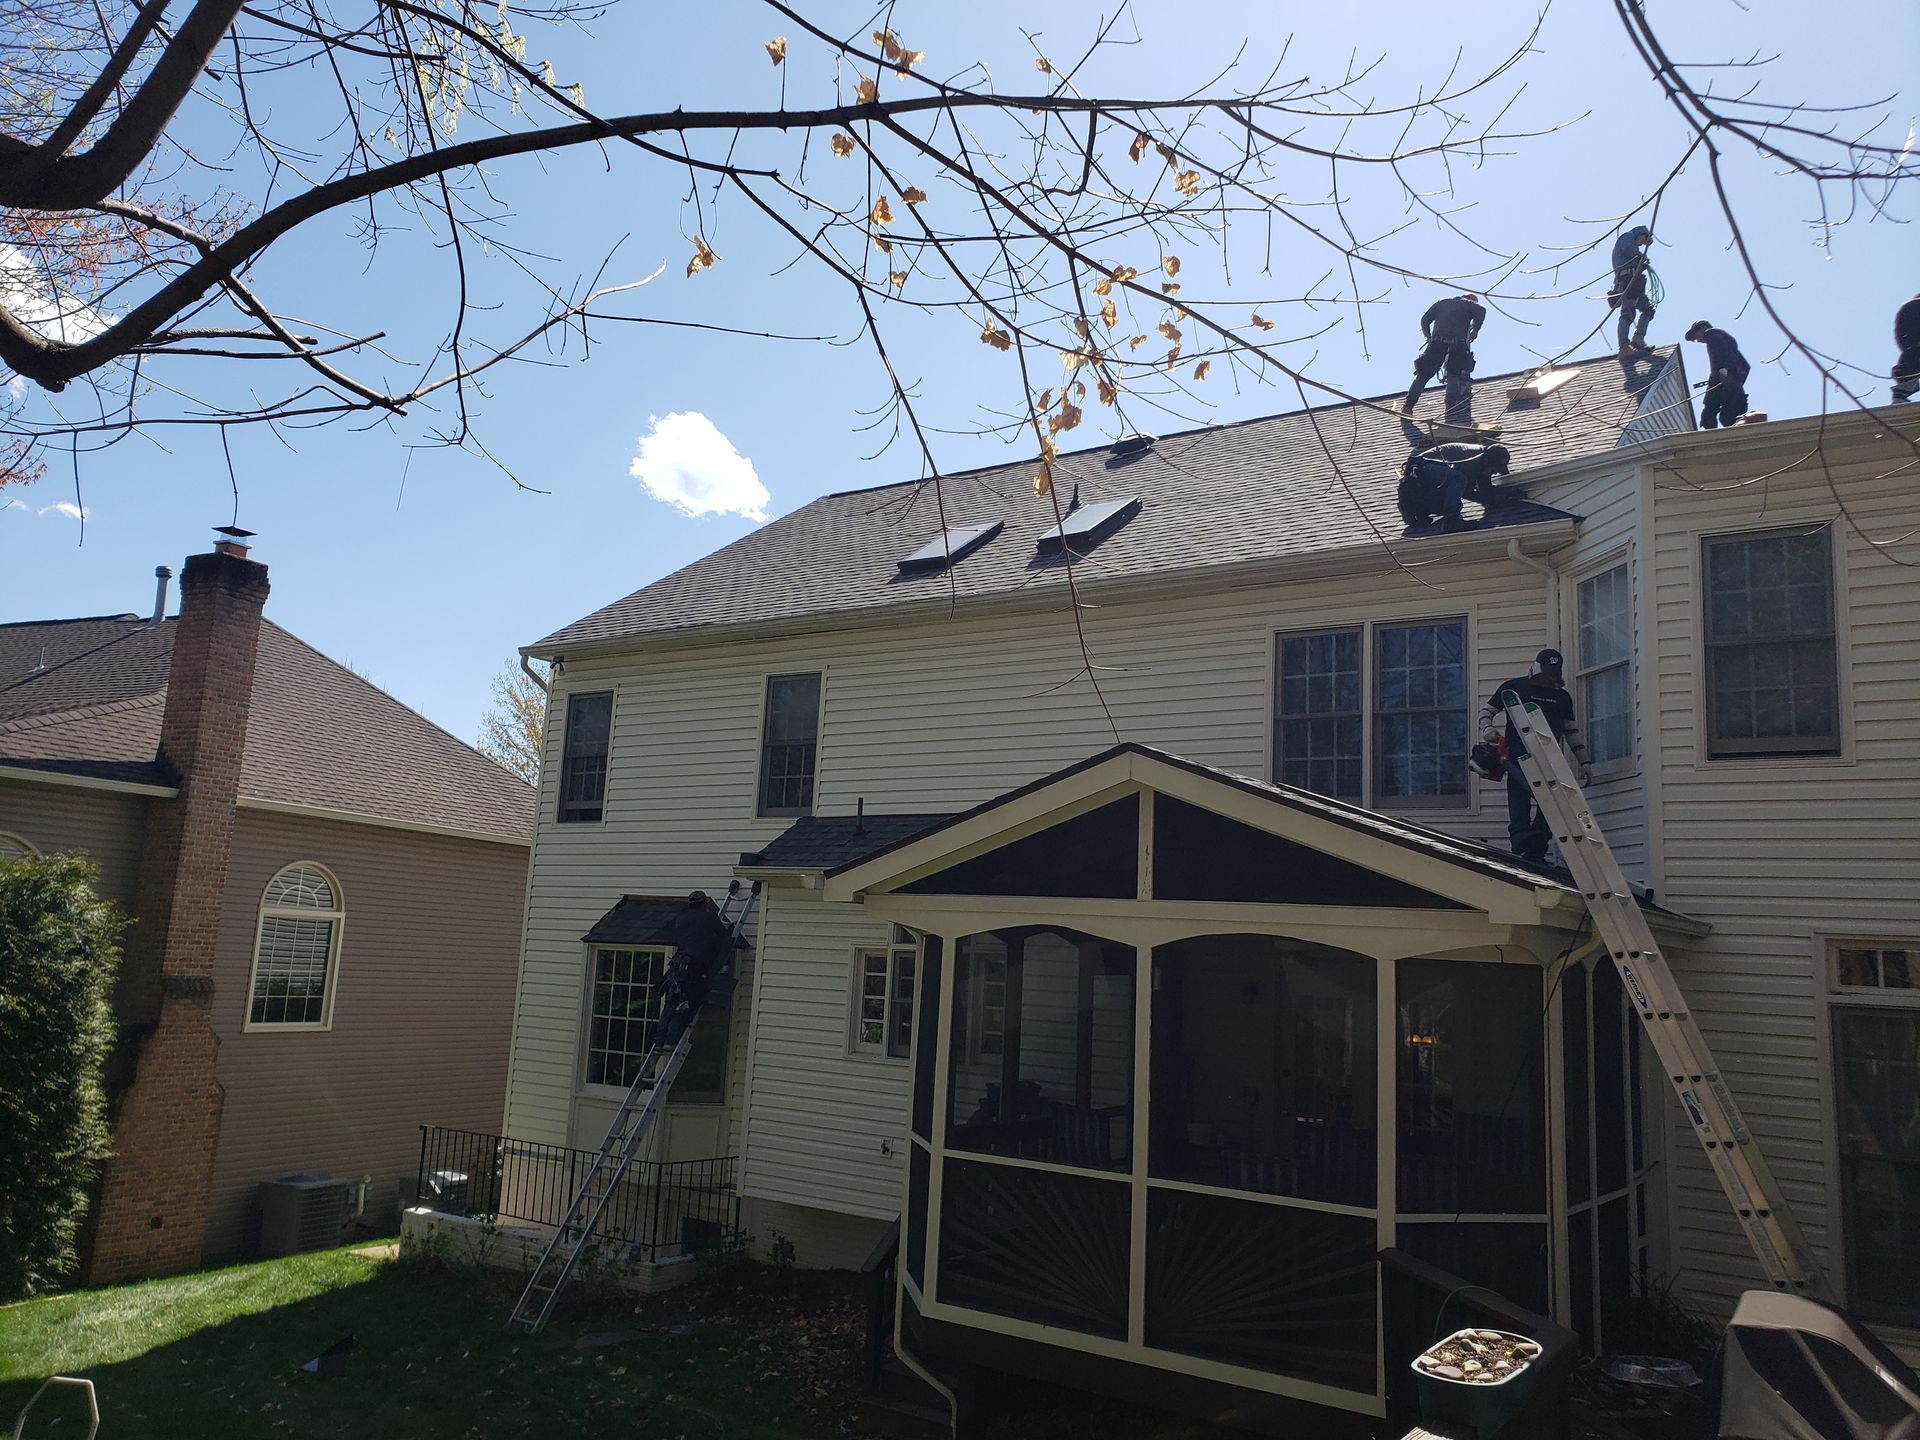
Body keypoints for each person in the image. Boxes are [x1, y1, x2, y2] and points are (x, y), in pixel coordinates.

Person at [1478, 648, 1592, 864]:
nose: (1548, 679)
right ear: (1536, 668)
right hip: (1518, 755)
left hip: (1551, 757)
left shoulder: (1561, 698)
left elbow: (1570, 731)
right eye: (1545, 672)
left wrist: (1584, 761)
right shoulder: (1514, 688)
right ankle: (1520, 835)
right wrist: (1487, 730)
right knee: (1520, 790)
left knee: (1554, 799)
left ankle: (1538, 845)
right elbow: (1486, 712)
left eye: (1553, 674)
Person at [1401, 292, 1486, 419]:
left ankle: (1407, 408)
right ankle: (1451, 404)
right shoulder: (1470, 304)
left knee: (1423, 375)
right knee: (1454, 373)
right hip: (1458, 342)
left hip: (1437, 341)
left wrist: (1428, 336)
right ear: (1471, 299)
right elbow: (1481, 309)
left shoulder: (1442, 303)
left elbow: (1424, 320)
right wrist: (1475, 330)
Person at [1398, 441, 1512, 531]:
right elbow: (1467, 491)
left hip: (1424, 477)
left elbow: (1484, 495)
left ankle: (1415, 509)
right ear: (1487, 461)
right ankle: (1451, 522)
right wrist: (1494, 497)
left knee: (1446, 503)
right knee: (1458, 479)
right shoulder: (1475, 459)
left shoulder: (1483, 463)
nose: (1495, 473)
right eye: (1494, 469)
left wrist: (1505, 496)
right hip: (1422, 467)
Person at [1686, 320, 1752, 429]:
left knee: (1709, 414)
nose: (1697, 340)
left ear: (1702, 328)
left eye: (1696, 335)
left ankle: (1711, 439)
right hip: (1733, 385)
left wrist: (1723, 371)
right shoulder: (1727, 341)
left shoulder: (1712, 333)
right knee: (1729, 417)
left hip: (1721, 382)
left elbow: (1719, 353)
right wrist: (1736, 381)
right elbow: (1745, 366)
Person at [1608, 225, 1656, 356]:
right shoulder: (1627, 236)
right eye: (1643, 240)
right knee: (1628, 312)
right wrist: (1641, 257)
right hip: (1627, 279)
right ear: (1641, 234)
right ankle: (1623, 346)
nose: (1641, 244)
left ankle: (1638, 338)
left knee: (1648, 310)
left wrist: (1641, 262)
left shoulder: (1634, 247)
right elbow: (1628, 249)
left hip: (1636, 282)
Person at [1893, 293, 1920, 404]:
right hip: (1913, 348)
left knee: (1909, 370)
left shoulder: (1908, 307)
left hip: (1910, 347)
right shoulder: (1914, 306)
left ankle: (1900, 397)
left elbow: (1900, 334)